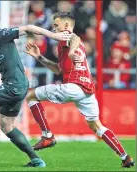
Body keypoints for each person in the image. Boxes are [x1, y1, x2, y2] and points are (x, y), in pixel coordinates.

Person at [0, 7, 73, 167]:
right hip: (17, 85)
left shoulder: (0, 34)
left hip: (13, 86)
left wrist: (54, 35)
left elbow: (28, 28)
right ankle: (36, 160)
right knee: (7, 126)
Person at [24, 12, 135, 168]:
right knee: (96, 126)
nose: (54, 28)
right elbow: (57, 70)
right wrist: (39, 57)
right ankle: (125, 157)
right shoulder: (66, 44)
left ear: (67, 26)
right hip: (87, 90)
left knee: (31, 96)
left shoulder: (68, 37)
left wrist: (70, 52)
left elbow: (74, 37)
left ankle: (47, 136)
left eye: (56, 25)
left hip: (74, 86)